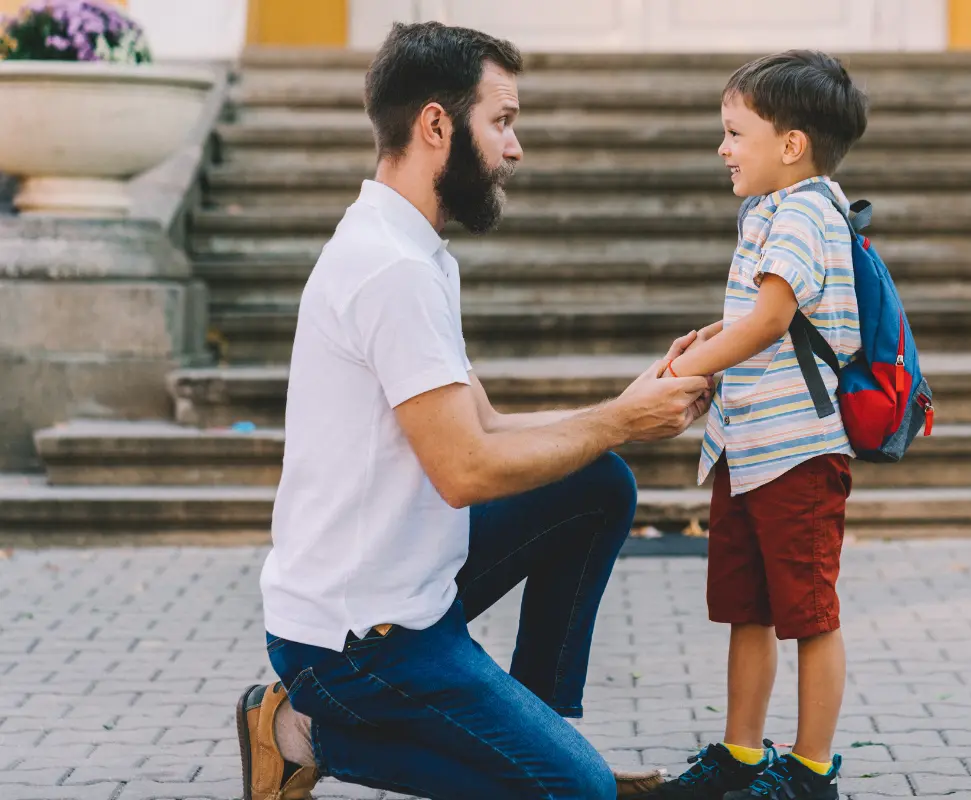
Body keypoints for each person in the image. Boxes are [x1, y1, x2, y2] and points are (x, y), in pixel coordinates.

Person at [233, 22, 712, 800]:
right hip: (356, 644)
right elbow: (466, 470)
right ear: (435, 125)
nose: (514, 149)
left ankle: (541, 732)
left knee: (598, 484)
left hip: (405, 586)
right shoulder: (390, 269)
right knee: (580, 794)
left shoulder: (412, 248)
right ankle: (299, 732)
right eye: (502, 122)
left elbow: (483, 427)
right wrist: (622, 421)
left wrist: (624, 407)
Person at [641, 51, 869, 800]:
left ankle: (809, 773)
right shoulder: (772, 209)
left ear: (791, 145)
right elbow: (765, 313)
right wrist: (709, 337)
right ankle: (742, 756)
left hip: (798, 452)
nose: (724, 147)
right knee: (749, 609)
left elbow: (772, 320)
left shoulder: (807, 209)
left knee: (808, 615)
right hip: (748, 447)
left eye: (736, 132)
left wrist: (684, 371)